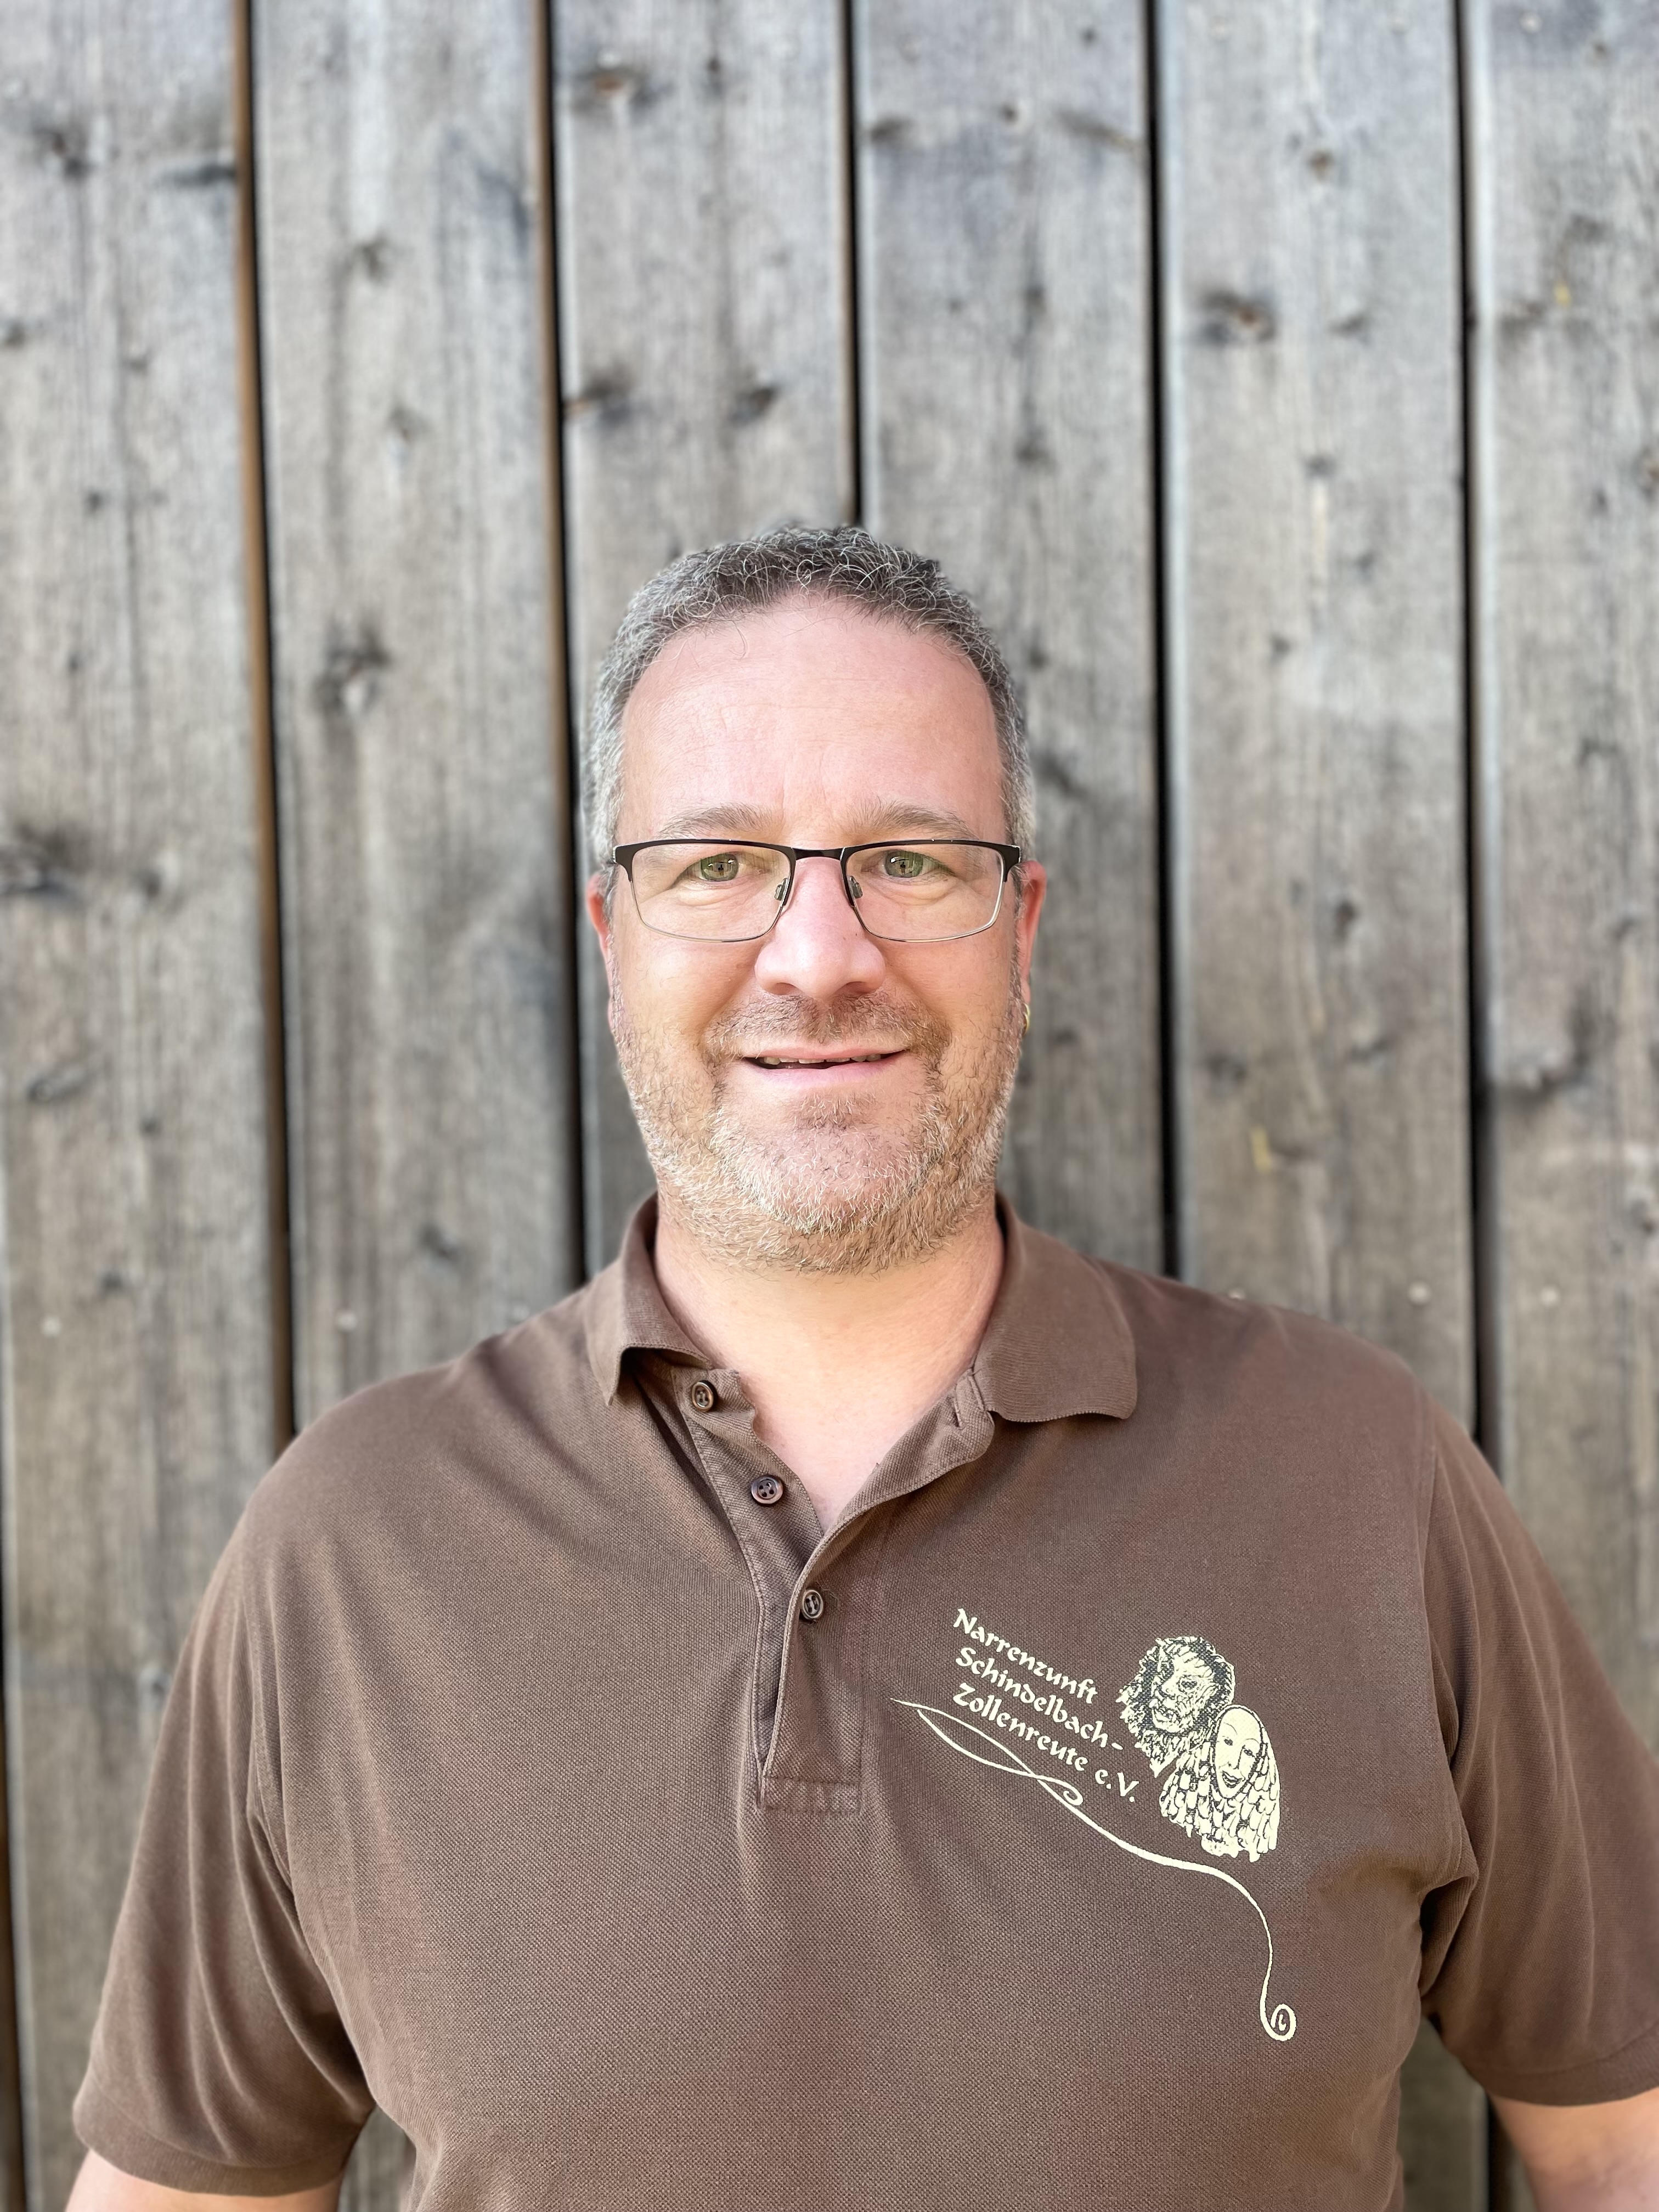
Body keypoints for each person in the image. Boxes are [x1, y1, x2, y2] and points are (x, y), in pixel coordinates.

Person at [70, 527, 1659, 2209]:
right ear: (612, 933)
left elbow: (1625, 2140)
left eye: (909, 860)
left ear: (1020, 926)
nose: (819, 956)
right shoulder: (353, 1548)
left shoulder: (1357, 1482)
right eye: (717, 863)